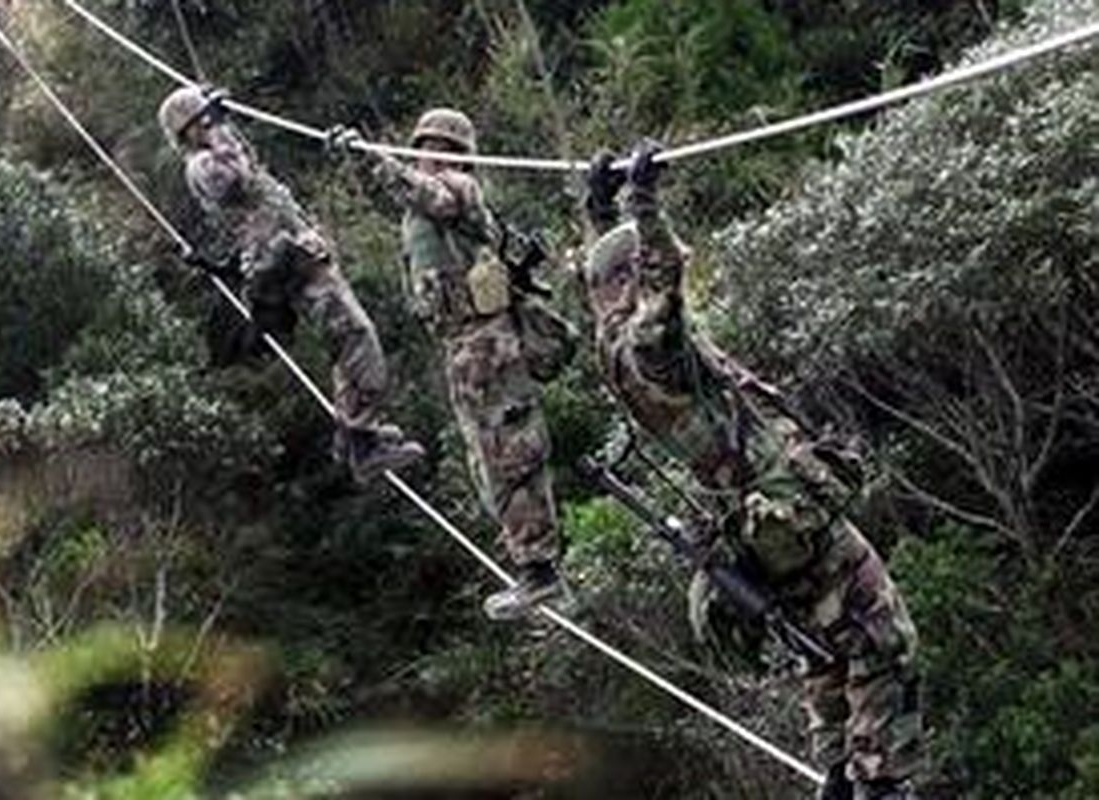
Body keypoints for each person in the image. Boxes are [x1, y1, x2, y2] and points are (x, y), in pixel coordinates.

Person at [580, 142, 923, 800]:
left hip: (759, 525)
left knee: (825, 641)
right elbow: (657, 288)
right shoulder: (654, 353)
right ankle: (880, 783)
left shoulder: (614, 344)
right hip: (780, 509)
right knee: (882, 635)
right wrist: (645, 209)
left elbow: (615, 278)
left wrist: (601, 211)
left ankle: (839, 775)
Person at [330, 109, 565, 620]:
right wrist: (357, 160)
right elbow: (398, 193)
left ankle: (542, 571)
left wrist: (377, 160)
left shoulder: (459, 189)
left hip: (489, 344)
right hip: (462, 347)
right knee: (486, 462)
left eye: (439, 147)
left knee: (511, 454)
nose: (429, 155)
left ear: (458, 153)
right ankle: (531, 568)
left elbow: (426, 192)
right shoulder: (416, 207)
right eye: (424, 146)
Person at [157, 85, 424, 483]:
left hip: (298, 256)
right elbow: (236, 181)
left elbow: (252, 177)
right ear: (188, 132)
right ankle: (362, 440)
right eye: (201, 121)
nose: (210, 124)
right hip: (287, 263)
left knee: (345, 342)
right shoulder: (202, 165)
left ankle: (354, 436)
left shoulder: (218, 150)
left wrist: (224, 126)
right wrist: (222, 131)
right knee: (358, 338)